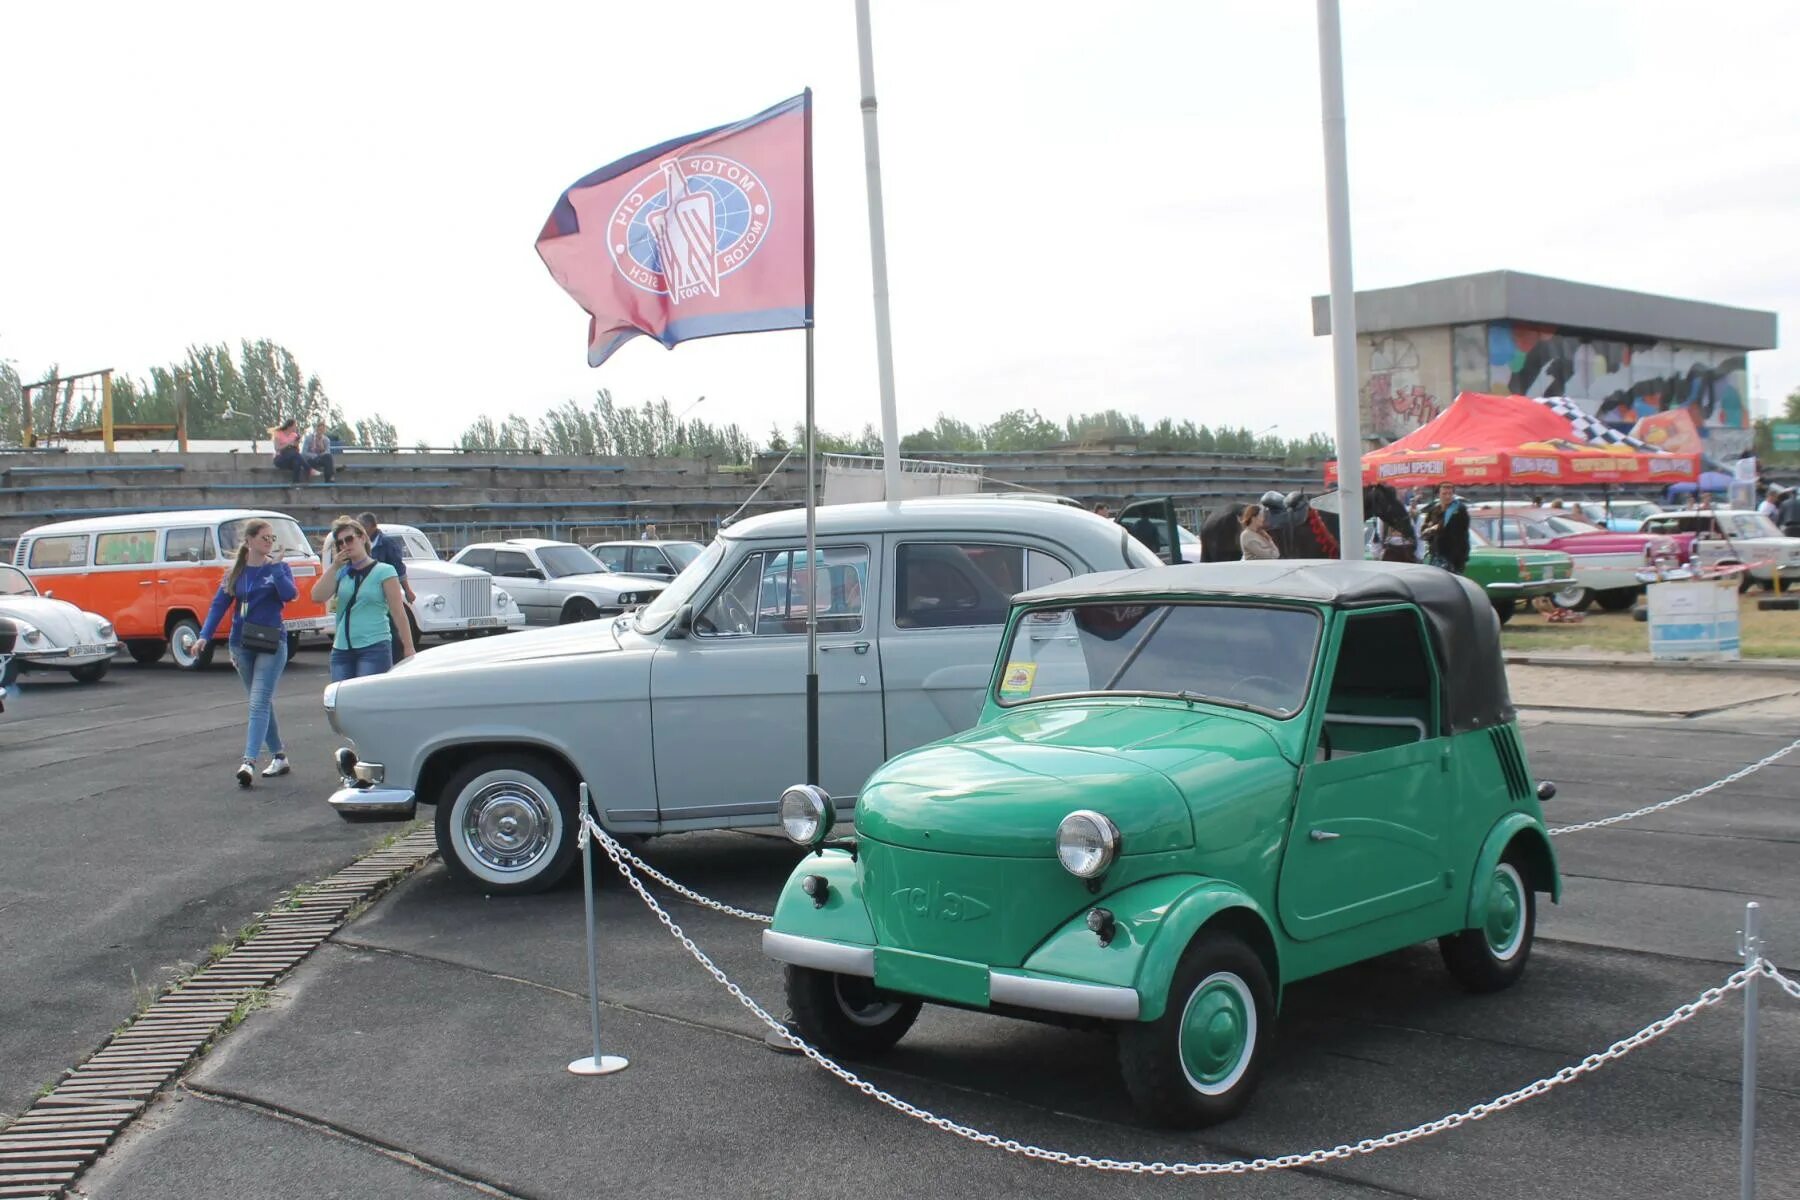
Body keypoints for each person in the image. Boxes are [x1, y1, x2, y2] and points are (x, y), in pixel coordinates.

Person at [196, 519, 297, 788]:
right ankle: (279, 756)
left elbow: (289, 595)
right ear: (249, 540)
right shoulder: (236, 573)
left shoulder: (278, 567)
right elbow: (218, 606)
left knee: (258, 702)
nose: (269, 543)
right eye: (265, 538)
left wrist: (276, 569)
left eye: (272, 538)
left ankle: (248, 762)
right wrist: (204, 636)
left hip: (272, 643)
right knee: (260, 702)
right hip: (242, 644)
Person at [313, 516, 415, 681]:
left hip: (374, 645)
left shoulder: (385, 571)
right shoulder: (342, 572)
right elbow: (317, 596)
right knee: (341, 695)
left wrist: (409, 647)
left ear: (362, 538)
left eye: (349, 539)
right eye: (340, 543)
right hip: (342, 647)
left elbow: (398, 612)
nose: (345, 545)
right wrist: (335, 566)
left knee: (367, 694)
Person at [358, 512, 415, 660]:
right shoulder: (361, 544)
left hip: (385, 592)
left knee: (392, 623)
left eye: (362, 527)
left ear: (371, 527)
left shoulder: (386, 543)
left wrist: (407, 590)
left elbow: (398, 568)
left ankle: (397, 657)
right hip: (368, 593)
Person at [1420, 482, 1470, 575]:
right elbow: (1424, 530)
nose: (1447, 497)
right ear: (1438, 494)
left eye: (1450, 494)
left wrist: (1436, 528)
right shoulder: (1434, 509)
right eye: (1444, 494)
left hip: (1453, 558)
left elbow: (1461, 533)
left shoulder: (1458, 510)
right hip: (1436, 554)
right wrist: (1429, 529)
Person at [270, 419, 308, 484]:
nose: (296, 427)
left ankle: (296, 483)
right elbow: (277, 448)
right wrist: (289, 444)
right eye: (294, 425)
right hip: (280, 459)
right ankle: (308, 468)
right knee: (293, 454)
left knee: (297, 462)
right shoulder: (278, 433)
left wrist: (296, 444)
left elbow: (296, 451)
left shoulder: (294, 435)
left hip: (291, 460)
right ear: (289, 426)